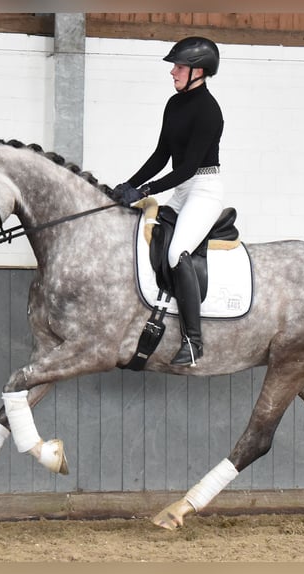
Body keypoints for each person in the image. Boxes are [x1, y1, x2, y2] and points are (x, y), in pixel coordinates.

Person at [112, 36, 224, 366]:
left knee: (177, 252)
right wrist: (127, 185)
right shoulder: (174, 104)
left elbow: (188, 167)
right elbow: (162, 155)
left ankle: (193, 341)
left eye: (178, 66)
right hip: (181, 191)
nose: (172, 72)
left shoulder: (209, 111)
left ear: (198, 71)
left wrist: (146, 191)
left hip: (204, 190)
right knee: (144, 234)